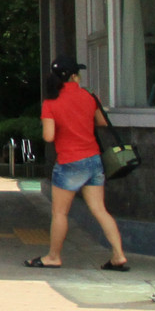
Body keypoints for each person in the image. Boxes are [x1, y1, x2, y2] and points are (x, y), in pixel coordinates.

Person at [25, 56, 130, 272]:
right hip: (93, 160)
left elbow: (48, 136)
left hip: (69, 162)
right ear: (73, 76)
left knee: (60, 213)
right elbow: (101, 121)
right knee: (99, 210)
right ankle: (118, 255)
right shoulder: (89, 96)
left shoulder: (51, 103)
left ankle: (53, 257)